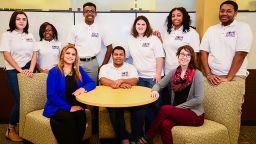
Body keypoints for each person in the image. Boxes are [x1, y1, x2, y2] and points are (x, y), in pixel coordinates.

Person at [138, 45, 204, 144]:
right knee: (165, 124)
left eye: (188, 55)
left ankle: (148, 137)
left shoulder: (197, 74)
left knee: (165, 109)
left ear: (191, 58)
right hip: (178, 112)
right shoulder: (174, 72)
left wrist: (177, 109)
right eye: (182, 54)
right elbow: (159, 85)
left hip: (195, 115)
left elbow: (198, 99)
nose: (184, 57)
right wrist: (155, 90)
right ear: (178, 56)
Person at [43, 44, 96, 144]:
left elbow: (91, 83)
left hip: (76, 105)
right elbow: (51, 95)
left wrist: (83, 89)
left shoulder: (78, 70)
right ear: (62, 55)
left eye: (73, 54)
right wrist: (69, 108)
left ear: (76, 57)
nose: (70, 56)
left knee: (81, 115)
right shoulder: (53, 72)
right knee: (70, 117)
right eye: (68, 53)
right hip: (57, 106)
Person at [0, 10, 37, 142]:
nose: (21, 21)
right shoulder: (7, 35)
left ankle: (25, 129)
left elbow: (34, 54)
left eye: (24, 19)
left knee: (29, 101)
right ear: (13, 21)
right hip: (13, 71)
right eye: (18, 19)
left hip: (28, 70)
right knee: (21, 100)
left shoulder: (30, 35)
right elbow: (6, 54)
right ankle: (10, 129)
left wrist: (31, 70)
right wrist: (21, 70)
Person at [200, 1, 253, 85]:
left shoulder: (243, 27)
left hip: (235, 76)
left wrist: (228, 78)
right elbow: (203, 52)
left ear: (235, 13)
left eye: (229, 11)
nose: (224, 13)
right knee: (210, 98)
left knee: (230, 98)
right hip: (213, 75)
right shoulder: (211, 29)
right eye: (222, 11)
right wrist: (208, 74)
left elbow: (241, 54)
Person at [99, 46, 145, 144]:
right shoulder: (105, 67)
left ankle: (136, 138)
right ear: (112, 56)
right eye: (116, 54)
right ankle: (124, 137)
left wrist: (122, 80)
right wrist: (120, 84)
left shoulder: (130, 67)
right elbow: (103, 80)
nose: (118, 57)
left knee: (140, 109)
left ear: (124, 56)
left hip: (130, 99)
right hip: (111, 100)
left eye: (121, 55)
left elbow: (135, 80)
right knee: (115, 110)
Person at [127, 15, 165, 131]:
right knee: (139, 106)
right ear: (135, 26)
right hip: (139, 78)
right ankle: (139, 134)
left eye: (143, 24)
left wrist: (158, 74)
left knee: (154, 106)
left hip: (154, 78)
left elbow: (160, 57)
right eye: (138, 24)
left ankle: (151, 134)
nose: (140, 26)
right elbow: (126, 57)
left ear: (147, 26)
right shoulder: (131, 39)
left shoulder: (154, 39)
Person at [67, 2, 113, 83]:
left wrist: (103, 65)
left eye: (92, 11)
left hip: (93, 63)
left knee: (92, 88)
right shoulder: (75, 28)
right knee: (75, 86)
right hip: (77, 62)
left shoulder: (101, 28)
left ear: (95, 14)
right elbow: (70, 48)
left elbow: (110, 47)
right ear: (83, 14)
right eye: (87, 11)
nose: (90, 13)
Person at [154, 7, 200, 74]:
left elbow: (195, 55)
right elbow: (166, 47)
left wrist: (189, 72)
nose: (175, 18)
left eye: (179, 15)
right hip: (168, 70)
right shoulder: (168, 32)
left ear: (184, 17)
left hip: (183, 72)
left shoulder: (192, 33)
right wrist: (159, 38)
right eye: (173, 16)